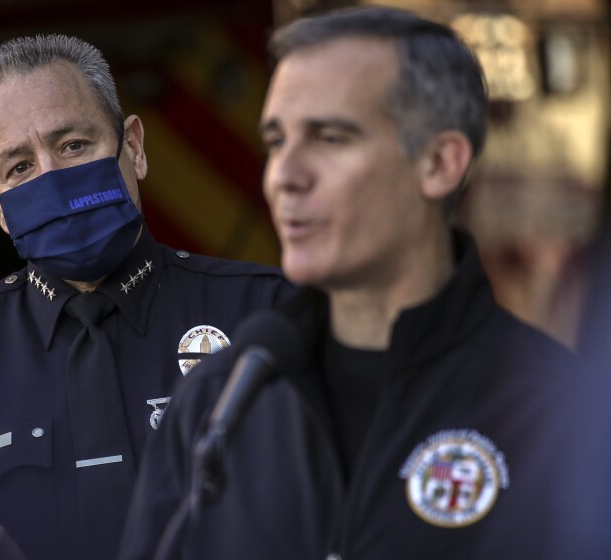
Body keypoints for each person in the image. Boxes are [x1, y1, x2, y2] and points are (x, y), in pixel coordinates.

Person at [118, 6, 583, 560]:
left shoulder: (561, 414)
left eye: (331, 138)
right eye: (276, 141)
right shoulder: (218, 404)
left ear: (440, 162)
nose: (285, 176)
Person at [0, 34, 292, 560]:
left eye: (72, 146)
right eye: (19, 168)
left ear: (133, 148)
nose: (53, 180)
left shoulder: (268, 314)